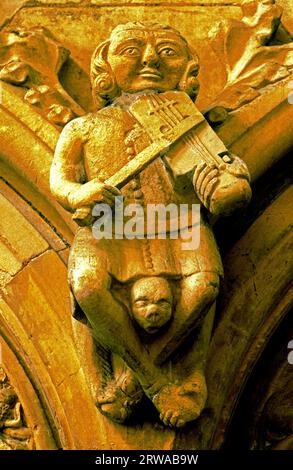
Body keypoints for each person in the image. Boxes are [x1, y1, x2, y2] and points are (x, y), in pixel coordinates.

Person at [50, 21, 250, 427]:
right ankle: (156, 381)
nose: (150, 59)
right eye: (131, 50)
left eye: (167, 51)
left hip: (177, 223)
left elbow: (230, 177)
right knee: (88, 283)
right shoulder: (85, 127)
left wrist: (226, 189)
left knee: (205, 282)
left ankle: (139, 374)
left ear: (188, 68)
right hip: (110, 222)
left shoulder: (190, 127)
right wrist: (77, 194)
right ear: (105, 66)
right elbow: (61, 178)